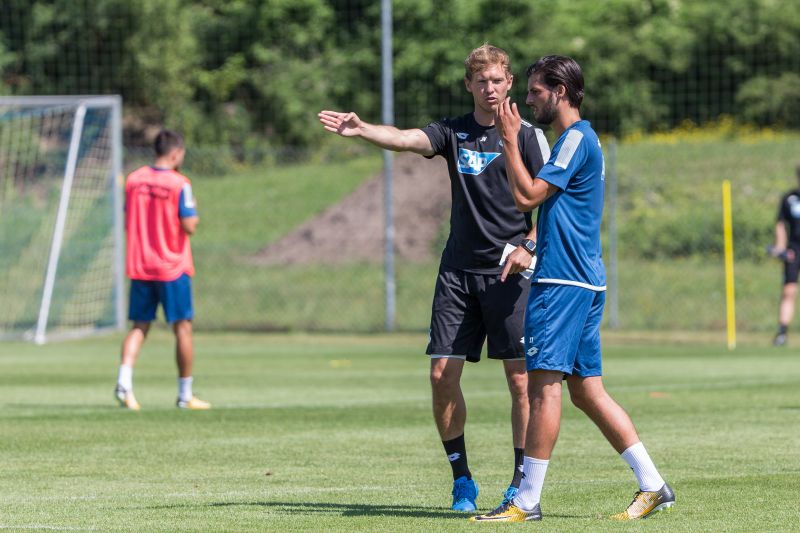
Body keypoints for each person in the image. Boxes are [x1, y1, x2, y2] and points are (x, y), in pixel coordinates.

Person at [318, 44, 550, 512]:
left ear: (510, 85)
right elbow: (405, 139)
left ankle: (520, 482)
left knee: (522, 382)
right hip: (458, 273)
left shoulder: (528, 137)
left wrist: (529, 246)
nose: (489, 89)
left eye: (498, 81)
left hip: (511, 274)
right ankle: (461, 478)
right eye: (480, 81)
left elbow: (557, 204)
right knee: (442, 374)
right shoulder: (453, 132)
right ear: (469, 85)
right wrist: (363, 130)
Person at [471, 55, 674, 522]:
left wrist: (508, 140)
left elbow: (526, 197)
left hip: (563, 281)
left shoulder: (575, 139)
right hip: (584, 279)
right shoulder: (582, 140)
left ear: (560, 91)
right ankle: (653, 484)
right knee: (586, 391)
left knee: (543, 389)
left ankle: (525, 501)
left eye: (536, 90)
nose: (528, 99)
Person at [114, 129, 210, 411]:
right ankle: (184, 394)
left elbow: (127, 218)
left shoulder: (134, 180)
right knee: (183, 329)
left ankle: (124, 382)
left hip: (141, 264)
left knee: (139, 327)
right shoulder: (180, 183)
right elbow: (190, 225)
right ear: (176, 152)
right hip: (171, 266)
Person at [768, 164, 800, 346]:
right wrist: (780, 248)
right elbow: (780, 224)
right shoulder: (790, 199)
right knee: (789, 290)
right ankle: (782, 333)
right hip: (794, 251)